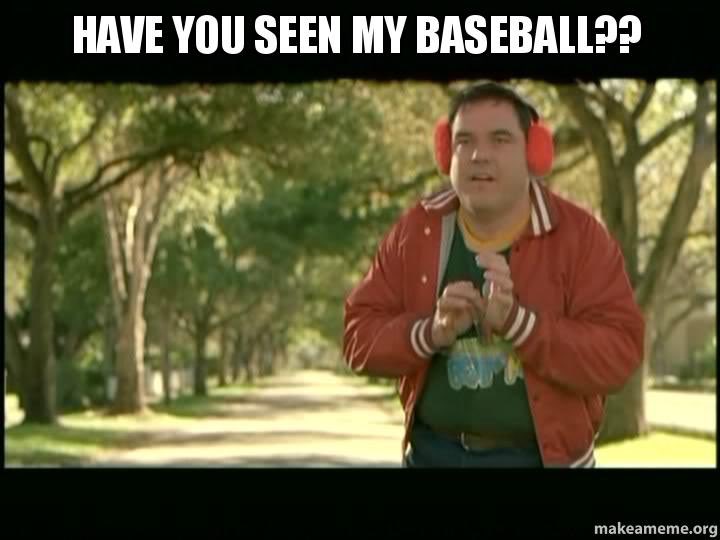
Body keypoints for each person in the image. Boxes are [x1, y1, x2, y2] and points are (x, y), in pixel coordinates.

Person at [342, 81, 645, 468]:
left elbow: (619, 354)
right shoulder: (416, 230)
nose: (478, 155)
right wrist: (430, 332)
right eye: (464, 141)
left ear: (533, 153)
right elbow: (358, 336)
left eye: (500, 140)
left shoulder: (581, 236)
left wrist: (518, 323)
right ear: (446, 153)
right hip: (431, 456)